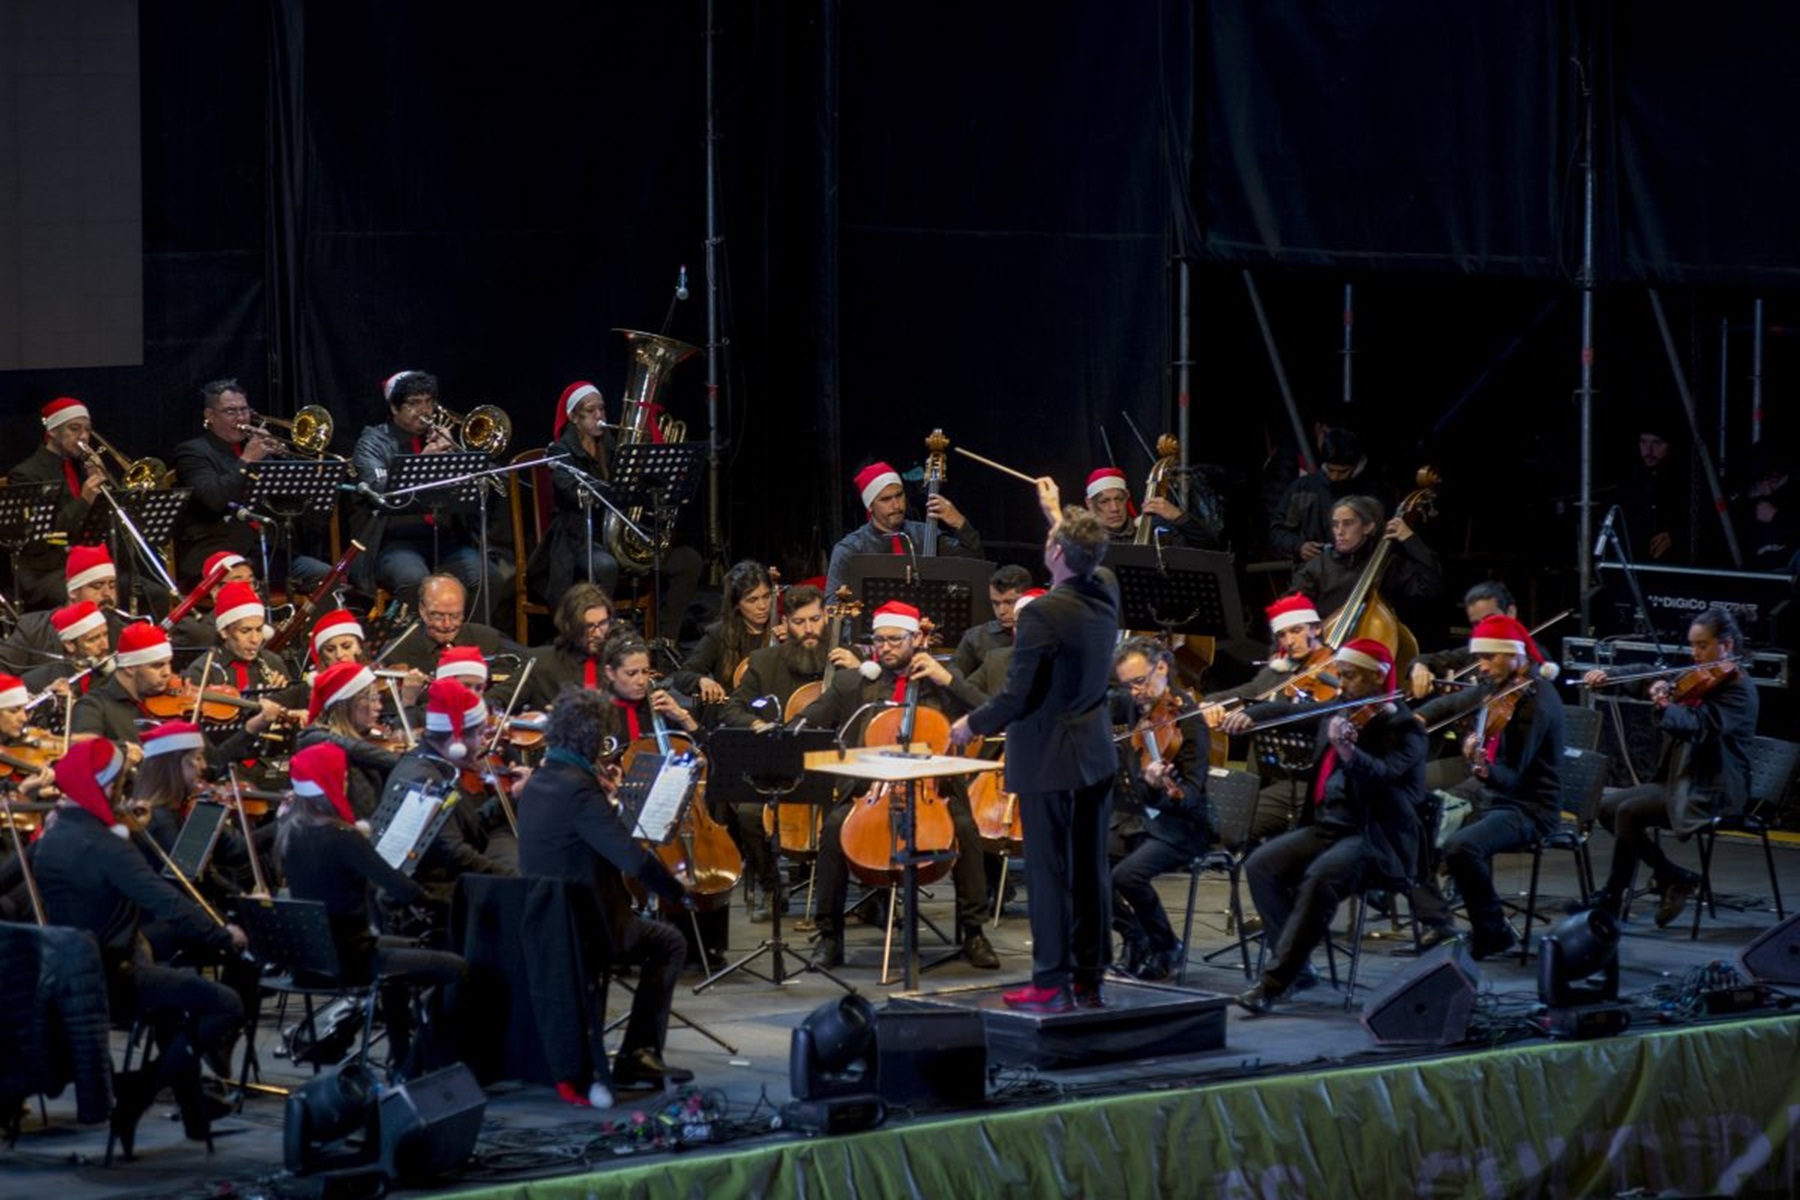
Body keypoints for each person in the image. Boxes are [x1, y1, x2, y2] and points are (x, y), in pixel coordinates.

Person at [32, 737, 247, 1156]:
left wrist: (127, 826)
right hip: (115, 976)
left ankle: (193, 1110)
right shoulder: (108, 846)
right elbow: (165, 900)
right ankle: (137, 1091)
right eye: (121, 783)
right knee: (226, 1004)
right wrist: (223, 934)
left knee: (173, 1012)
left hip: (68, 979)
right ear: (107, 786)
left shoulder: (53, 836)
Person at [949, 480, 1118, 1011]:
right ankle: (1088, 980)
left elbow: (1018, 697)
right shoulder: (1104, 586)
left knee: (1049, 875)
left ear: (1056, 554)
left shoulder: (1041, 614)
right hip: (1094, 754)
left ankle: (1049, 983)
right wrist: (1055, 512)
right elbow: (1078, 552)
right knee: (1090, 871)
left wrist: (970, 724)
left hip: (1050, 759)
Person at [799, 600, 1000, 971]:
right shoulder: (855, 682)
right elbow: (807, 722)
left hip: (932, 792)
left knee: (968, 832)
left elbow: (990, 712)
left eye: (894, 640)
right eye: (879, 640)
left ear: (915, 639)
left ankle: (973, 931)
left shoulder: (942, 680)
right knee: (831, 830)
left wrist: (949, 680)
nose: (886, 648)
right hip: (869, 793)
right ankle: (829, 935)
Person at [515, 686, 695, 1093]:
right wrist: (676, 890)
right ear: (593, 739)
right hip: (584, 922)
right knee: (668, 943)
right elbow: (631, 858)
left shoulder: (543, 779)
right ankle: (639, 1054)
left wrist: (605, 797)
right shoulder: (579, 790)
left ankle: (635, 1055)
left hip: (550, 920)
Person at [1233, 638, 1425, 1014]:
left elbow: (1385, 775)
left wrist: (1350, 752)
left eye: (1351, 676)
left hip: (1373, 836)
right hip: (1329, 827)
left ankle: (1276, 980)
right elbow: (1293, 712)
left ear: (1377, 677)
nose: (1342, 683)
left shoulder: (1403, 727)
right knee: (1261, 864)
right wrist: (1251, 715)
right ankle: (1298, 965)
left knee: (1320, 877)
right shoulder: (1340, 709)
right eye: (1341, 674)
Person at [278, 741, 467, 1077]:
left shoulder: (290, 831)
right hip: (351, 958)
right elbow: (404, 890)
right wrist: (449, 901)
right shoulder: (341, 837)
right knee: (456, 968)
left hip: (313, 956)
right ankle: (419, 1062)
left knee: (406, 956)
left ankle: (401, 1055)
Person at [1582, 605, 1758, 926]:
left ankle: (1613, 894)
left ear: (1727, 646)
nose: (1695, 654)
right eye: (1693, 645)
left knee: (1628, 812)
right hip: (1682, 780)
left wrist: (1664, 704)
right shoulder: (1700, 679)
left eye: (1702, 646)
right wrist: (1610, 678)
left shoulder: (1739, 691)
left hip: (1712, 787)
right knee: (1607, 806)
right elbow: (1650, 675)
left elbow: (1700, 727)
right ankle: (1670, 875)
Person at [1413, 613, 1565, 960]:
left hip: (1530, 807)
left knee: (1462, 847)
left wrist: (1482, 768)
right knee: (1420, 819)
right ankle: (1438, 921)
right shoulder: (1499, 687)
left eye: (1488, 657)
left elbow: (1514, 777)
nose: (1480, 666)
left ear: (1515, 655)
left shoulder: (1535, 704)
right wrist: (1417, 719)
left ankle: (1492, 930)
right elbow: (1459, 701)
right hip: (1495, 798)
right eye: (1479, 658)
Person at [532, 380, 703, 641]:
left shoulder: (616, 449)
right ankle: (602, 643)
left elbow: (636, 492)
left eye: (602, 409)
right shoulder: (560, 451)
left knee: (688, 560)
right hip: (579, 541)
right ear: (574, 417)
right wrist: (617, 489)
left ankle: (665, 639)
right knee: (605, 565)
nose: (600, 416)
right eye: (591, 411)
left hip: (618, 541)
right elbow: (571, 492)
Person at [351, 370, 506, 610]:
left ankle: (464, 642)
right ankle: (416, 645)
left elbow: (480, 487)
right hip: (395, 542)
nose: (425, 411)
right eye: (414, 404)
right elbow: (380, 491)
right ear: (394, 408)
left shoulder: (440, 439)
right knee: (415, 582)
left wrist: (454, 455)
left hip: (444, 539)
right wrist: (424, 463)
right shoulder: (373, 441)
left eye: (429, 403)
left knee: (489, 578)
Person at [1109, 637, 1212, 982]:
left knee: (1127, 875)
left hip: (1181, 825)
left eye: (1140, 682)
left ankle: (1167, 945)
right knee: (1077, 864)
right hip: (1136, 818)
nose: (1135, 692)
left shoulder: (1190, 719)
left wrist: (1160, 788)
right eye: (1127, 685)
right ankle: (1134, 935)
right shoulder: (1132, 707)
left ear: (1163, 667)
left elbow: (1192, 794)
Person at [170, 379, 330, 591]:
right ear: (210, 415)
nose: (241, 418)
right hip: (218, 557)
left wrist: (273, 459)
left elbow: (280, 500)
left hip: (265, 552)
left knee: (329, 576)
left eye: (244, 410)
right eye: (230, 411)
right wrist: (247, 460)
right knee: (246, 584)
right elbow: (213, 499)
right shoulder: (192, 452)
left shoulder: (254, 448)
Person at [824, 460, 985, 600]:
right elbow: (834, 606)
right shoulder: (849, 550)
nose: (896, 505)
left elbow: (975, 562)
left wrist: (960, 523)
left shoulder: (924, 534)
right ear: (870, 506)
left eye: (899, 495)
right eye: (886, 499)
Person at [5, 398, 108, 608]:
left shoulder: (83, 468)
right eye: (74, 429)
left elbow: (104, 523)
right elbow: (39, 538)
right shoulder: (27, 474)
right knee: (86, 598)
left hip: (86, 563)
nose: (83, 437)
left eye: (87, 430)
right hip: (47, 571)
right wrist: (85, 500)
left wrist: (103, 483)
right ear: (52, 431)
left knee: (153, 592)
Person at [1290, 495, 1442, 619]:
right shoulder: (1318, 566)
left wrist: (1409, 539)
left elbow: (1430, 588)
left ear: (1368, 527)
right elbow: (1291, 608)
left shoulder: (1389, 564)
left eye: (1348, 524)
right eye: (1335, 524)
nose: (1339, 531)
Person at [0, 543, 131, 676]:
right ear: (73, 592)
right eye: (97, 586)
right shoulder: (33, 629)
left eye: (112, 586)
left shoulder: (121, 632)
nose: (107, 594)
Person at [1267, 428, 1393, 563]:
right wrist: (1298, 546)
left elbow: (1389, 533)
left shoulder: (1376, 493)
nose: (1334, 477)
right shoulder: (1302, 489)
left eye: (1342, 471)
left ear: (1357, 465)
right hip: (1314, 571)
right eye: (1331, 469)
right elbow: (1278, 530)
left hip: (1361, 570)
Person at [294, 660, 401, 820]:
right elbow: (357, 750)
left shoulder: (365, 738)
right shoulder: (314, 738)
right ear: (346, 703)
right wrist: (408, 762)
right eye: (371, 699)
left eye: (378, 698)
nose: (379, 706)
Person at [378, 573, 527, 686]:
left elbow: (527, 665)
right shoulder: (398, 650)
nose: (448, 624)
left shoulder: (488, 638)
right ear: (422, 611)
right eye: (438, 616)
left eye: (455, 616)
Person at [677, 560, 782, 710]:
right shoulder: (718, 634)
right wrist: (701, 681)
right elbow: (683, 676)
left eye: (766, 596)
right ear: (737, 604)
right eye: (752, 600)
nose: (763, 606)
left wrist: (794, 644)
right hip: (730, 715)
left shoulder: (783, 632)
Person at [1404, 581, 1517, 701]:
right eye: (1477, 624)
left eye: (1490, 619)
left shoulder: (1532, 664)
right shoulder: (1474, 654)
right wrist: (1419, 667)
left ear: (1510, 613)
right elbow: (1425, 659)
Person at [519, 583, 613, 710]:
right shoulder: (539, 663)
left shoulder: (618, 663)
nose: (597, 633)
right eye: (588, 626)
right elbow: (495, 702)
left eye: (603, 623)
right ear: (570, 626)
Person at [1083, 465, 1222, 548]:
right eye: (1105, 501)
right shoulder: (1084, 541)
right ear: (1090, 504)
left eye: (1119, 499)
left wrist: (1179, 517)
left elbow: (1208, 547)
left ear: (1127, 497)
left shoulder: (1153, 530)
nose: (1114, 508)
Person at [1619, 421, 1689, 562]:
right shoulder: (1629, 481)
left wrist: (1676, 537)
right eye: (1643, 442)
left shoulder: (1687, 480)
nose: (1649, 450)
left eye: (1657, 443)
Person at [950, 564, 1032, 677]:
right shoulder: (975, 638)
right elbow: (953, 682)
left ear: (1028, 599)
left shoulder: (1046, 636)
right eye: (995, 603)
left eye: (1010, 602)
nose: (1001, 611)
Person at [21, 599, 114, 698]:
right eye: (93, 640)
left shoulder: (120, 674)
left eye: (105, 635)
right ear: (69, 645)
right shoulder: (35, 682)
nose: (105, 646)